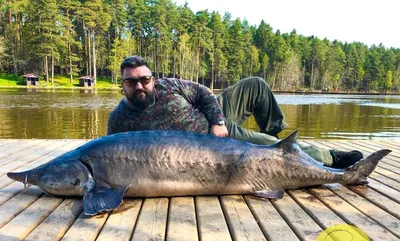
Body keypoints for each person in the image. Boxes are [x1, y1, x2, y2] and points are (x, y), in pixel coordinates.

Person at [107, 55, 363, 168]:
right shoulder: (118, 118)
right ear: (123, 85)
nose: (139, 85)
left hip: (215, 122)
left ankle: (274, 139)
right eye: (131, 82)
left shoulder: (169, 85)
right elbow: (110, 151)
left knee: (256, 84)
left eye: (144, 79)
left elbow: (204, 94)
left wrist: (218, 121)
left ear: (153, 78)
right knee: (271, 146)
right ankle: (326, 156)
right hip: (210, 143)